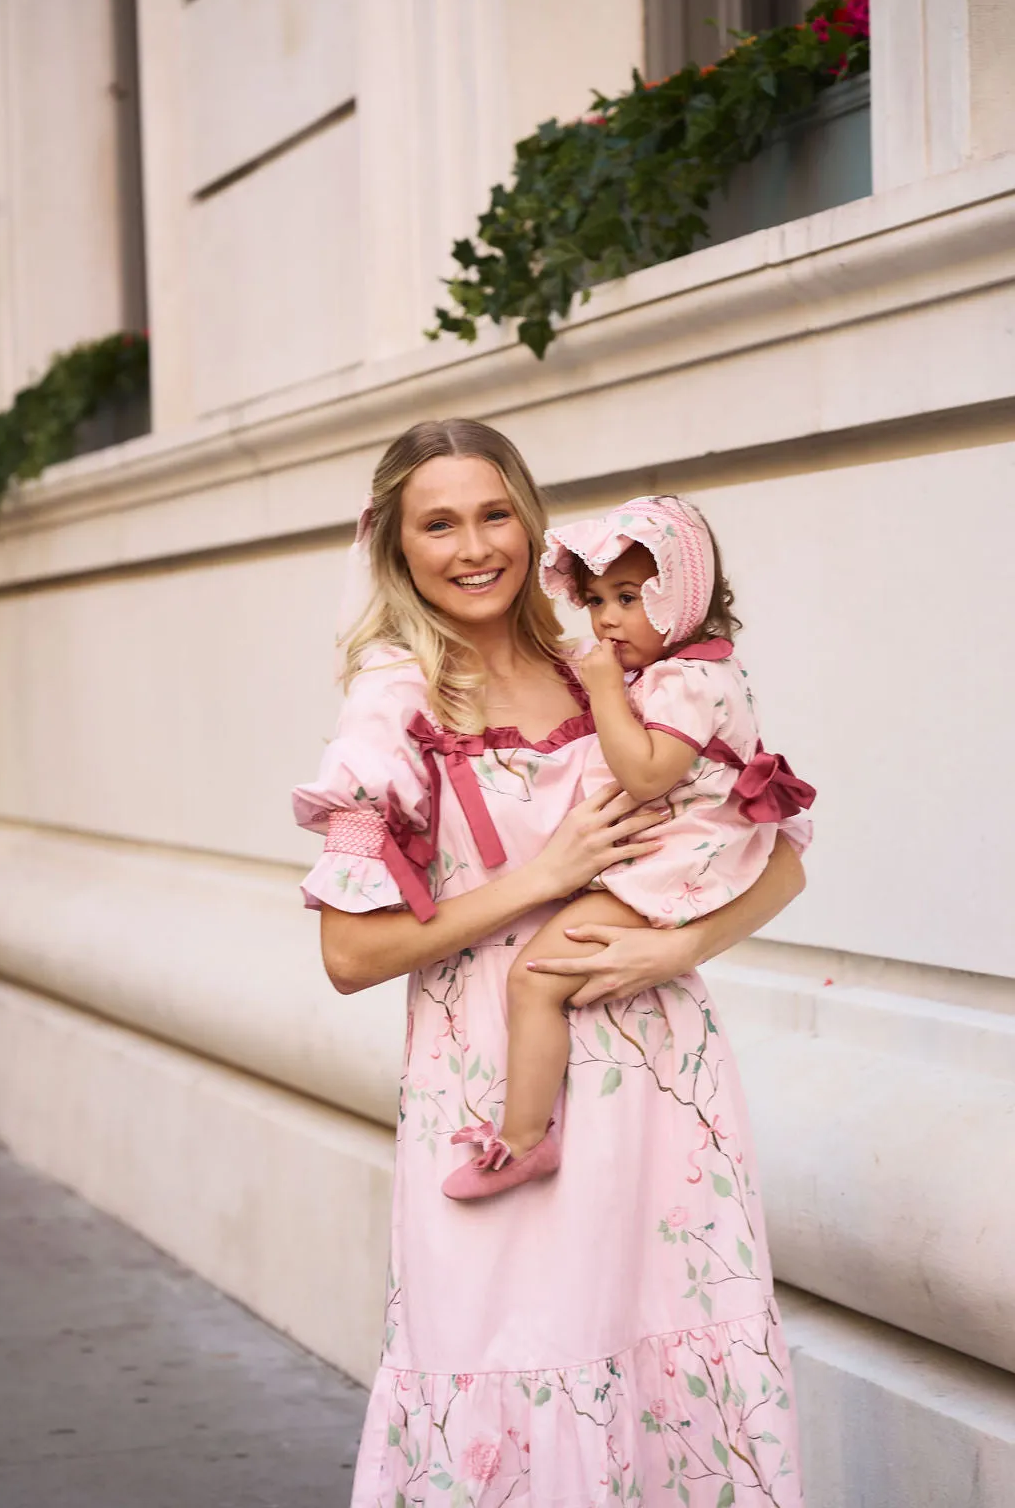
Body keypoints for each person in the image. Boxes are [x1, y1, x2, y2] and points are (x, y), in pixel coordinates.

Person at [293, 419, 808, 1507]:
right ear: (395, 546)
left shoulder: (617, 666)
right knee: (514, 1362)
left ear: (530, 523)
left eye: (494, 515)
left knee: (668, 1363)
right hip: (498, 1097)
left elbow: (780, 856)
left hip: (661, 1083)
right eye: (438, 523)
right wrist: (538, 879)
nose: (474, 546)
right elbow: (347, 952)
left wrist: (677, 943)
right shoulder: (395, 707)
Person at [444, 495, 814, 1200]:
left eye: (629, 598)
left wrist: (606, 691)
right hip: (668, 862)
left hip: (671, 869)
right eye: (595, 600)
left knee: (535, 979)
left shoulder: (684, 681)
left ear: (685, 597)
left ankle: (523, 1139)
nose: (607, 619)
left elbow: (646, 776)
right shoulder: (693, 674)